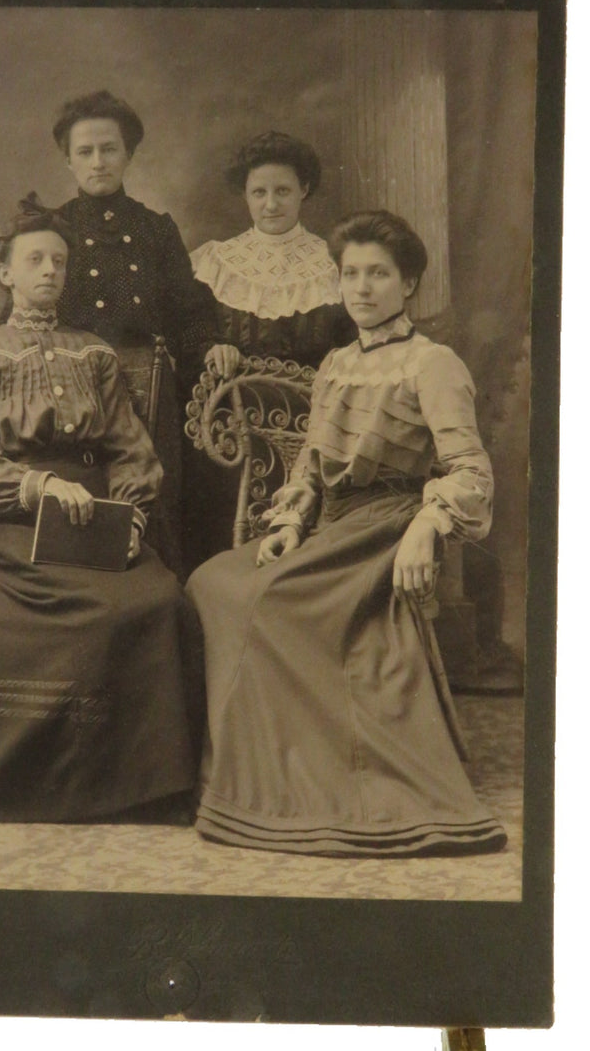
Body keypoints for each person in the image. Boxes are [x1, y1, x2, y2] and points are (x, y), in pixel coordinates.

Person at [186, 210, 507, 856]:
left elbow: (471, 470)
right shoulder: (335, 362)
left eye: (378, 274)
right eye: (351, 274)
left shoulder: (433, 362)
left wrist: (426, 527)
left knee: (271, 601)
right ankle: (248, 762)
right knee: (213, 580)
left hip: (386, 524)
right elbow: (309, 464)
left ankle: (302, 775)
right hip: (329, 522)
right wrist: (287, 522)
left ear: (408, 283)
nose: (362, 288)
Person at [0, 203, 202, 823]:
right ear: (5, 271)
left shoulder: (93, 354)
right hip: (19, 526)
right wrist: (40, 485)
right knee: (73, 616)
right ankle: (48, 782)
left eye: (59, 261)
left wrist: (132, 519)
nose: (49, 271)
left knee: (159, 599)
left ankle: (141, 786)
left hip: (101, 517)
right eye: (34, 259)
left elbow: (130, 448)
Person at [50, 89, 216, 577]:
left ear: (128, 154)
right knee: (78, 506)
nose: (98, 162)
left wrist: (212, 343)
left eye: (109, 149)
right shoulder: (52, 230)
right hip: (71, 394)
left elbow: (188, 307)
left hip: (151, 397)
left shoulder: (155, 229)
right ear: (68, 160)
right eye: (85, 152)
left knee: (152, 515)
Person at [191, 131, 354, 378]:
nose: (271, 205)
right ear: (245, 194)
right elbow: (194, 335)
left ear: (304, 189)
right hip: (232, 410)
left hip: (317, 409)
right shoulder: (216, 263)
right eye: (259, 192)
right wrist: (213, 348)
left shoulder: (335, 263)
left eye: (282, 191)